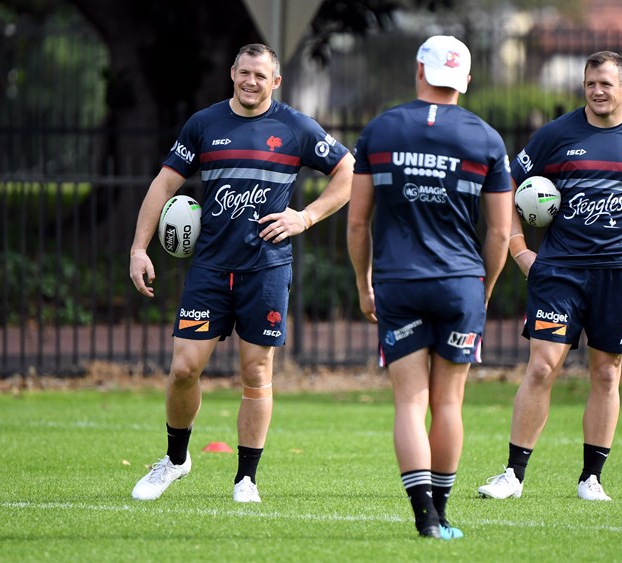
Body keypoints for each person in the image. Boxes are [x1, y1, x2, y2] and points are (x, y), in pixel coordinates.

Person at [128, 43, 354, 503]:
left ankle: (245, 479)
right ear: (232, 73)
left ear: (276, 81)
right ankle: (175, 460)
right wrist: (138, 248)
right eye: (244, 72)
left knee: (256, 371)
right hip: (210, 268)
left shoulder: (295, 127)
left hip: (266, 269)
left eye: (261, 75)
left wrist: (305, 217)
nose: (251, 81)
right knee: (184, 369)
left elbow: (348, 170)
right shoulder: (204, 125)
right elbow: (163, 184)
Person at [477, 50, 622, 502]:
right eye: (591, 83)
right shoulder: (554, 135)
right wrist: (520, 251)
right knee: (542, 367)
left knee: (607, 374)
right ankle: (513, 475)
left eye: (606, 83)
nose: (597, 91)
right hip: (559, 274)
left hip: (620, 276)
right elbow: (505, 188)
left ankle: (591, 478)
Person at [347, 35, 512, 539]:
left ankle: (424, 517)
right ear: (465, 79)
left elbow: (357, 224)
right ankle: (442, 512)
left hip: (398, 282)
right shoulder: (486, 138)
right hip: (461, 283)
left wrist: (362, 282)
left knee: (409, 403)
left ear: (420, 70)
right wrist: (482, 289)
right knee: (448, 403)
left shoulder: (379, 130)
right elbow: (502, 232)